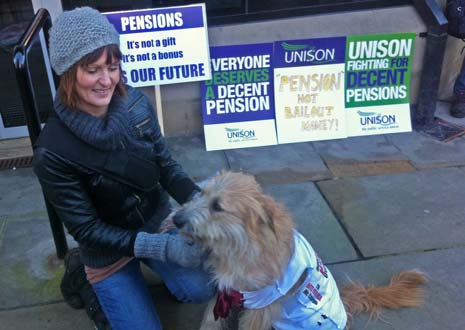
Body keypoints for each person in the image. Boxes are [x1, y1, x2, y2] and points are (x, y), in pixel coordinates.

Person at [33, 7, 215, 330]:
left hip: (155, 220)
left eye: (112, 66)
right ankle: (96, 288)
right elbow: (87, 230)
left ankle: (157, 272)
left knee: (203, 287)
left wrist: (208, 207)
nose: (107, 80)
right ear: (68, 71)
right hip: (105, 251)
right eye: (92, 70)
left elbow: (166, 167)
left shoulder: (136, 105)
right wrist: (166, 247)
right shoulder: (52, 152)